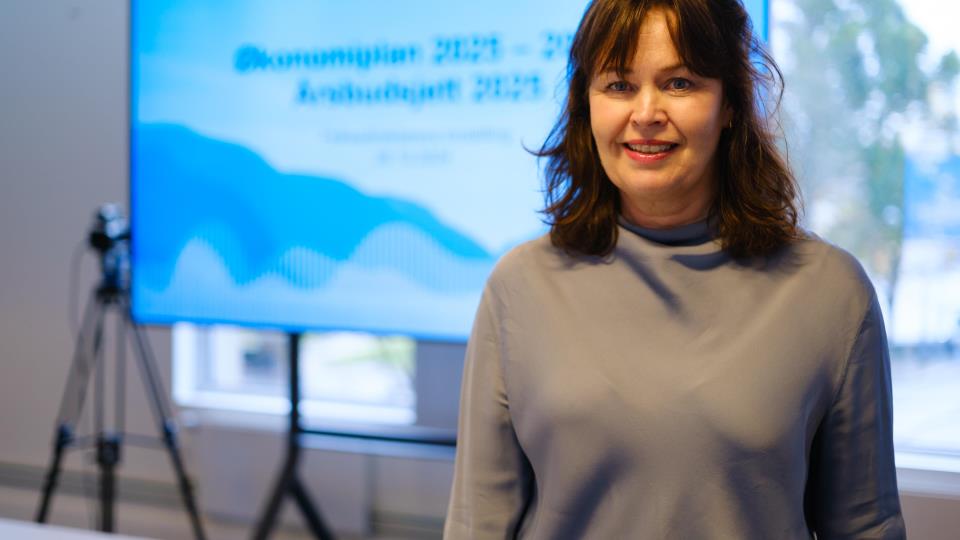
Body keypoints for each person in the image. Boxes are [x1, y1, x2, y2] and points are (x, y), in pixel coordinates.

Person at [443, 0, 906, 538]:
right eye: (618, 85)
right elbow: (477, 525)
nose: (645, 113)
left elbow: (866, 526)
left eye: (680, 83)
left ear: (730, 103)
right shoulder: (518, 288)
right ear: (587, 104)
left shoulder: (831, 293)